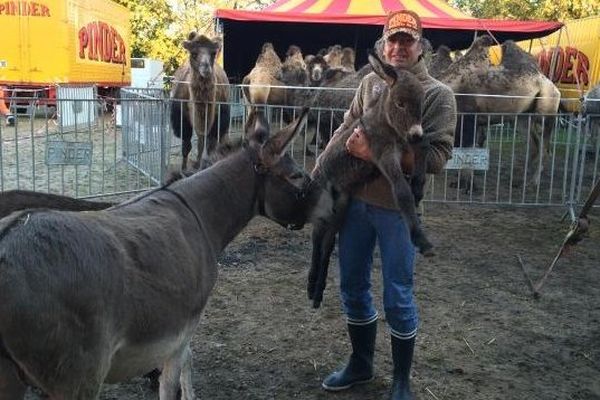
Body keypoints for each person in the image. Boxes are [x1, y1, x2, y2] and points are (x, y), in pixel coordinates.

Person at [319, 10, 457, 400]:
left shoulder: (437, 95)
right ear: (383, 45)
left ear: (420, 46)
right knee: (352, 286)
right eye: (392, 40)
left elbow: (436, 159)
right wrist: (323, 169)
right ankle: (361, 364)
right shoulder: (368, 84)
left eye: (407, 40)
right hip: (356, 205)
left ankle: (401, 380)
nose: (399, 47)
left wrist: (372, 151)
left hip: (397, 210)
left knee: (397, 293)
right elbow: (347, 125)